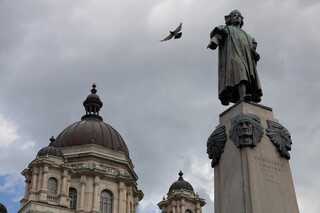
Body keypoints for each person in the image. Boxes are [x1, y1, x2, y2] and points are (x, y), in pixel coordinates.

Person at [207, 10, 262, 106]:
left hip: (246, 59)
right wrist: (214, 42)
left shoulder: (248, 36)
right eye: (234, 16)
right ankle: (242, 96)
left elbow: (250, 47)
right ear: (230, 19)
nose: (237, 17)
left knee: (246, 74)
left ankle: (246, 97)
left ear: (241, 20)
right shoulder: (227, 29)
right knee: (240, 72)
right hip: (233, 56)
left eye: (239, 16)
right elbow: (218, 35)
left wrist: (255, 54)